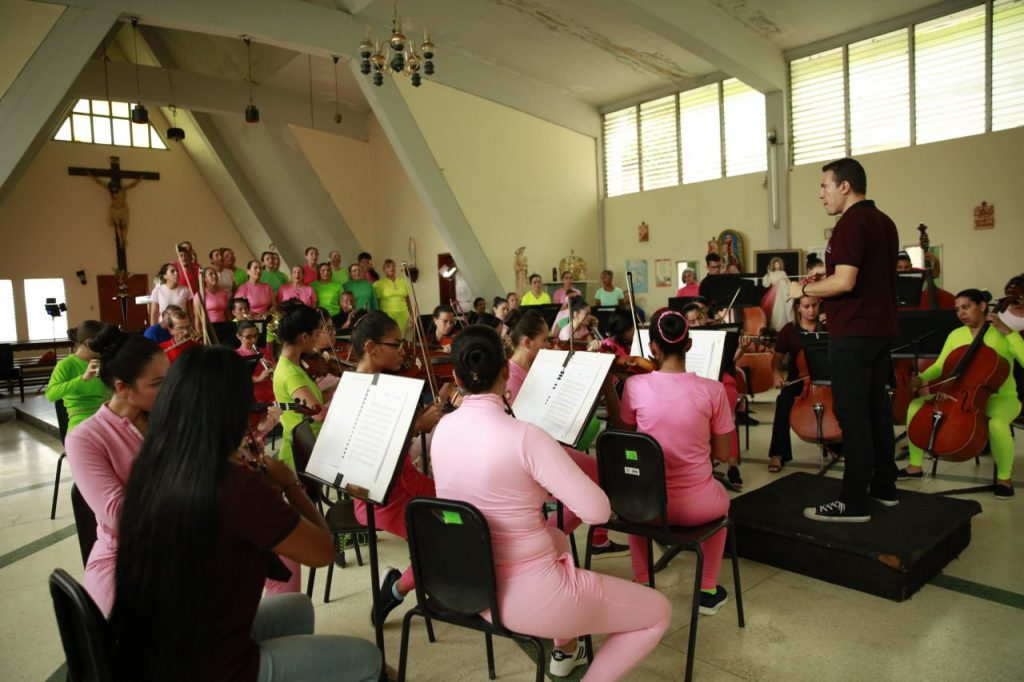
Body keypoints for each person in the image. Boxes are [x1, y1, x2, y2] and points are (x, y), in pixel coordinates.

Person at [108, 345, 381, 682]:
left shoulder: (155, 463)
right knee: (367, 660)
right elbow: (323, 552)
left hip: (163, 646)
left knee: (296, 608)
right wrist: (289, 485)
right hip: (210, 667)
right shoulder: (233, 485)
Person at [431, 325, 671, 680]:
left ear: (456, 377)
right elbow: (597, 511)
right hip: (529, 598)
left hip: (471, 586)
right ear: (505, 372)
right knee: (658, 612)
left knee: (557, 538)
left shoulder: (441, 430)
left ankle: (566, 649)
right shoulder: (525, 436)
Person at [788, 157, 900, 522]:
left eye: (825, 186)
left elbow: (846, 282)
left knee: (852, 416)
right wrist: (827, 275)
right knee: (877, 411)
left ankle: (852, 502)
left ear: (845, 186)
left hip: (853, 332)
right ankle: (884, 488)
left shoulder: (850, 223)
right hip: (880, 330)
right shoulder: (884, 221)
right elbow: (861, 276)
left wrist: (803, 289)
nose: (821, 194)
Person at [612, 308, 734, 611]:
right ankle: (707, 590)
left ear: (652, 346)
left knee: (635, 493)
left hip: (647, 507)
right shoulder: (714, 390)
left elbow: (624, 436)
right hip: (697, 509)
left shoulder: (635, 386)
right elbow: (724, 454)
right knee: (723, 500)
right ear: (689, 344)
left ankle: (643, 582)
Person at [347, 312, 452, 625]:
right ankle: (395, 590)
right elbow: (374, 457)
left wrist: (425, 417)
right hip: (382, 496)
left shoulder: (382, 384)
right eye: (396, 344)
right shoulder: (358, 391)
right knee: (450, 536)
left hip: (408, 483)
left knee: (462, 508)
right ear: (371, 348)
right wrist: (418, 425)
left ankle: (434, 578)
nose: (404, 351)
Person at [505, 308, 628, 556]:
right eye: (544, 341)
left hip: (549, 446)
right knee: (597, 482)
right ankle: (545, 543)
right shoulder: (510, 377)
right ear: (527, 343)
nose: (550, 345)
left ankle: (589, 538)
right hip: (531, 456)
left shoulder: (535, 368)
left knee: (603, 475)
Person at [64, 327, 169, 613]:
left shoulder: (168, 421)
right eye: (158, 383)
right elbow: (118, 514)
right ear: (123, 388)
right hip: (124, 556)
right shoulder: (86, 438)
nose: (170, 390)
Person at [899, 289, 1023, 498]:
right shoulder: (956, 335)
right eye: (957, 310)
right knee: (915, 406)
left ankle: (1004, 478)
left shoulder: (1002, 334)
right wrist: (921, 378)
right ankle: (915, 466)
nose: (961, 313)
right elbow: (940, 366)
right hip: (961, 396)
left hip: (1001, 398)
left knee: (997, 424)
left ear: (982, 306)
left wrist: (1009, 333)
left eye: (966, 307)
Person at [767, 295, 827, 473]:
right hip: (800, 380)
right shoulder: (789, 330)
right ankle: (778, 453)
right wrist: (776, 373)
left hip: (827, 379)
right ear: (798, 307)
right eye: (806, 306)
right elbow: (776, 360)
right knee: (783, 402)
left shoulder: (827, 326)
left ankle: (835, 444)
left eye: (814, 305)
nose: (811, 310)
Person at [45, 320, 111, 433]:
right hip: (81, 420)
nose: (105, 346)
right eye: (102, 343)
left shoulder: (104, 360)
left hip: (107, 416)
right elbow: (51, 395)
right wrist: (82, 378)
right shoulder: (66, 364)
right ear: (88, 343)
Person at [236, 321, 275, 404]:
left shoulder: (265, 351)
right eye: (248, 337)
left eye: (255, 336)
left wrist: (273, 368)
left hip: (272, 395)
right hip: (253, 399)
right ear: (239, 336)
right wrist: (258, 378)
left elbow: (276, 370)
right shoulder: (235, 355)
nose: (253, 340)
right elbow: (237, 380)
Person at [373, 258, 413, 334]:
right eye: (388, 267)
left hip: (403, 315)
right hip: (387, 316)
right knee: (390, 337)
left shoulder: (404, 282)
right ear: (384, 270)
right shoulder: (378, 284)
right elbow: (376, 304)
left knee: (402, 337)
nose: (391, 268)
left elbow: (408, 301)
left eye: (393, 266)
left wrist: (412, 316)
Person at [763, 257, 791, 332]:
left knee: (781, 309)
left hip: (782, 293)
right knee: (774, 310)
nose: (777, 266)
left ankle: (782, 326)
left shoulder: (782, 273)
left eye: (778, 264)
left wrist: (785, 280)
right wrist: (768, 273)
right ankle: (775, 326)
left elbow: (788, 282)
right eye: (775, 264)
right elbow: (766, 284)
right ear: (773, 265)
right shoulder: (771, 273)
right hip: (773, 294)